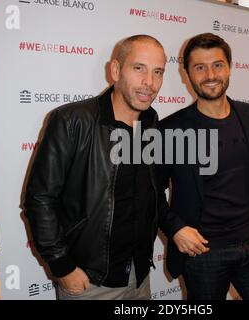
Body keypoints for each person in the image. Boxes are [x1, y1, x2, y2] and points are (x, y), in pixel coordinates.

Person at [24, 34, 167, 300]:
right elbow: (39, 198)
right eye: (139, 69)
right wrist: (62, 266)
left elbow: (152, 194)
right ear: (115, 70)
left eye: (158, 72)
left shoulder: (150, 122)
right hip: (90, 282)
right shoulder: (71, 120)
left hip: (139, 278)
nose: (150, 82)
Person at [159, 33, 249, 300]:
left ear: (229, 67)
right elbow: (150, 192)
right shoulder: (170, 130)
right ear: (187, 75)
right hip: (203, 254)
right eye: (200, 67)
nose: (210, 74)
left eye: (217, 65)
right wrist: (175, 228)